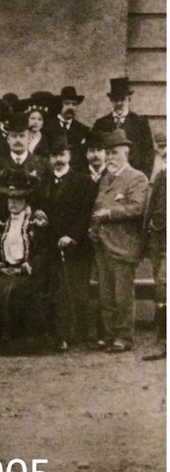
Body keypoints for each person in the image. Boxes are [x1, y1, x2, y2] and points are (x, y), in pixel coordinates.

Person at [0, 168, 51, 348]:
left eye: (18, 199)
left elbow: (42, 253)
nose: (13, 203)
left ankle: (14, 341)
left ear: (25, 201)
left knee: (11, 291)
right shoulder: (0, 225)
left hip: (28, 274)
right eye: (10, 199)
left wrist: (25, 267)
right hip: (5, 270)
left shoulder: (35, 225)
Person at [89, 129, 151, 353]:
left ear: (126, 152)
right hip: (103, 245)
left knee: (122, 296)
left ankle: (124, 337)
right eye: (108, 153)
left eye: (114, 152)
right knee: (106, 295)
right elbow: (97, 205)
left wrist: (110, 214)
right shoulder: (106, 177)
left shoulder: (137, 177)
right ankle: (108, 334)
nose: (110, 157)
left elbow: (137, 207)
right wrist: (93, 228)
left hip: (124, 246)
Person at [43, 131, 97, 349]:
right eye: (54, 155)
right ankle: (61, 334)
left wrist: (72, 236)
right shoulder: (45, 183)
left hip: (77, 245)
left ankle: (82, 333)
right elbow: (43, 209)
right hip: (52, 245)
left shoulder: (83, 181)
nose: (58, 159)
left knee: (77, 290)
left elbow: (86, 213)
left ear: (70, 156)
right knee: (57, 290)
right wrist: (40, 217)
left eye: (62, 154)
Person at [91, 77, 155, 177]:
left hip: (133, 176)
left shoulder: (140, 122)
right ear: (111, 101)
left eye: (122, 99)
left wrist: (143, 177)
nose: (119, 103)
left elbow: (148, 153)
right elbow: (94, 150)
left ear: (129, 100)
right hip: (107, 177)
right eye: (116, 100)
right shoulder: (101, 123)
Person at [143, 163, 167, 360]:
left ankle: (163, 341)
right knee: (161, 291)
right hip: (159, 239)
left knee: (163, 285)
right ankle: (163, 338)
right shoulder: (162, 175)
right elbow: (152, 208)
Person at [54, 86, 91, 169]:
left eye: (74, 104)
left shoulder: (83, 130)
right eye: (67, 103)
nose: (70, 107)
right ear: (60, 104)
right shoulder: (48, 127)